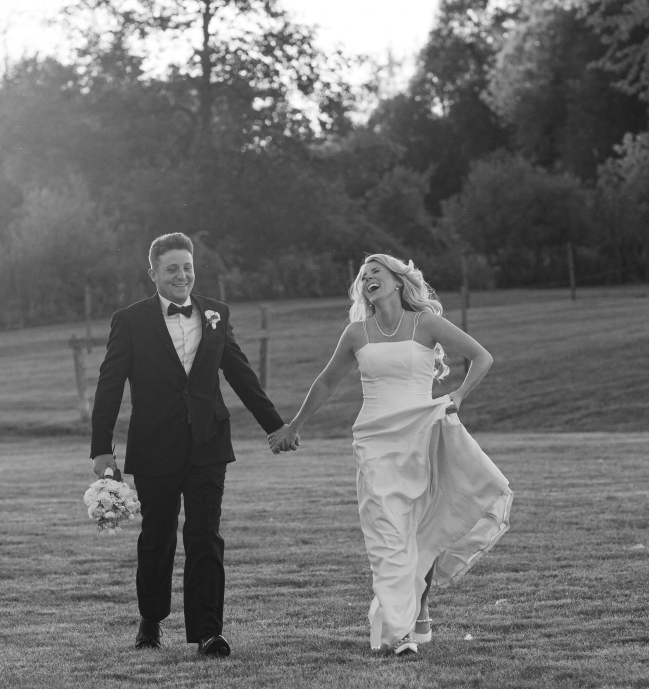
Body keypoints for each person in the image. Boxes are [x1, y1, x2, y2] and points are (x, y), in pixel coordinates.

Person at [267, 254, 512, 656]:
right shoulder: (356, 333)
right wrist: (294, 425)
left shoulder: (426, 323)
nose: (368, 278)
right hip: (375, 440)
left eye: (376, 272)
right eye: (363, 276)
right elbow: (327, 382)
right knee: (387, 533)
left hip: (423, 435)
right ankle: (398, 632)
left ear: (398, 281)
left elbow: (481, 356)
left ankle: (419, 608)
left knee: (419, 529)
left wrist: (458, 395)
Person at [88, 232, 295, 656]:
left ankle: (207, 632)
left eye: (187, 267)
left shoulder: (217, 313)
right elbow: (109, 386)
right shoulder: (129, 320)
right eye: (172, 269)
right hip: (154, 446)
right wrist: (101, 448)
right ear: (154, 274)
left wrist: (275, 425)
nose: (181, 275)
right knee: (157, 536)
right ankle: (151, 619)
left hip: (208, 444)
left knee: (205, 535)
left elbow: (240, 374)